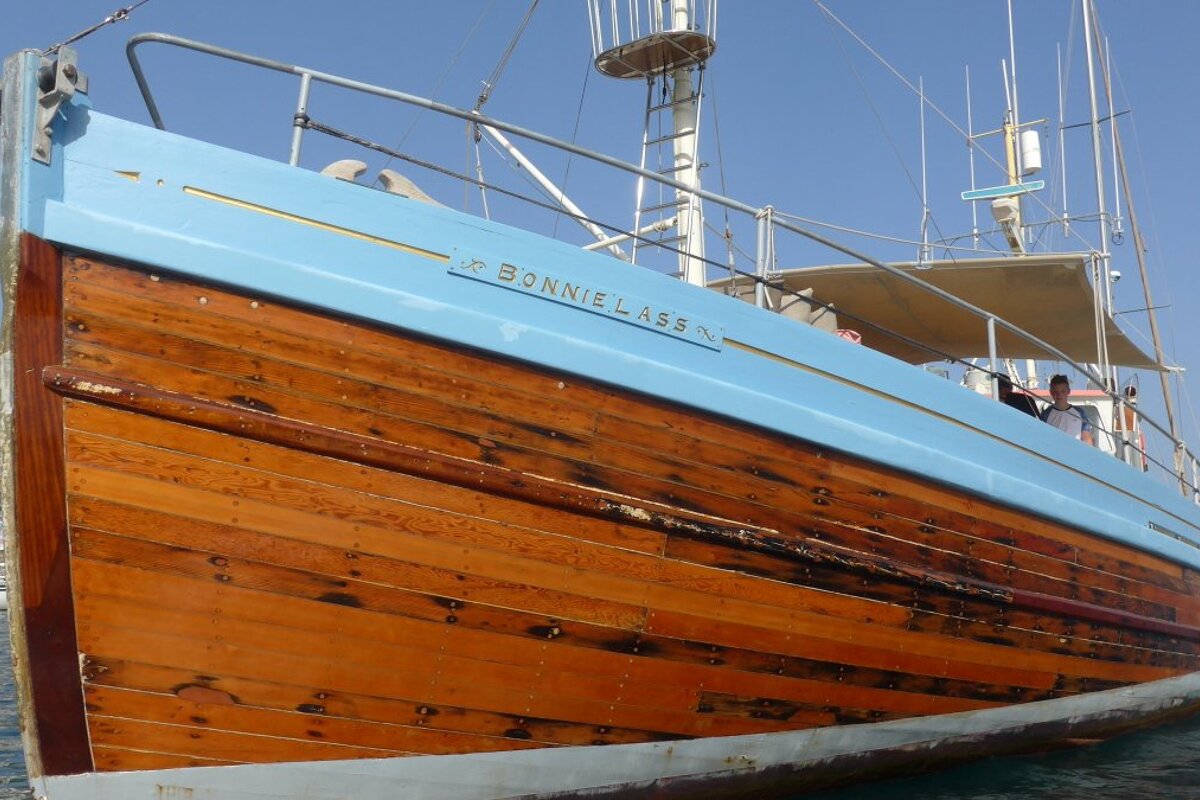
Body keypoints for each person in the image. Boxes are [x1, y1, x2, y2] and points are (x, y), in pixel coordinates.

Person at [1039, 374, 1094, 446]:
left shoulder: (1079, 412)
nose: (1059, 394)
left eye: (1063, 391)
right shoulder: (1045, 414)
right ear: (1051, 392)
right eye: (1055, 392)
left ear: (1068, 391)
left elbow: (1086, 438)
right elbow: (1042, 437)